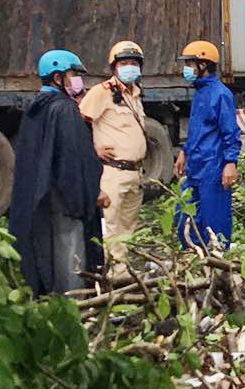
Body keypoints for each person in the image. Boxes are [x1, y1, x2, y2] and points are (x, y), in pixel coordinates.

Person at [8, 50, 106, 294]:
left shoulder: (35, 108)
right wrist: (88, 194)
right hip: (66, 196)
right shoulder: (64, 109)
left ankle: (50, 297)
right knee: (70, 250)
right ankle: (73, 302)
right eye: (73, 74)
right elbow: (75, 158)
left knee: (47, 249)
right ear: (57, 78)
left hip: (43, 193)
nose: (77, 80)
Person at [80, 41, 148, 274]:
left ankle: (122, 270)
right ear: (114, 67)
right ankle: (110, 273)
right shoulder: (102, 92)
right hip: (112, 172)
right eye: (124, 63)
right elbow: (79, 123)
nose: (129, 67)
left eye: (134, 63)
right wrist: (93, 148)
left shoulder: (135, 93)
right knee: (110, 224)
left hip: (134, 172)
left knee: (128, 226)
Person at [173, 40, 241, 248]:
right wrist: (184, 152)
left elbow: (230, 132)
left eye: (190, 63)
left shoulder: (220, 94)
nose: (186, 69)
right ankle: (193, 255)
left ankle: (217, 258)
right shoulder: (200, 92)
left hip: (213, 167)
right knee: (185, 216)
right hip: (196, 166)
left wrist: (230, 163)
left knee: (214, 220)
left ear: (203, 65)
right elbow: (198, 130)